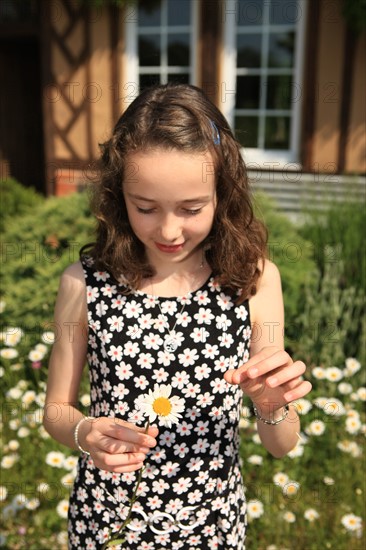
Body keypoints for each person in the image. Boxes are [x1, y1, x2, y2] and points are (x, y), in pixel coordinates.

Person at [43, 83, 312, 550]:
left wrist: (272, 406)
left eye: (191, 209)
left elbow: (282, 444)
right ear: (117, 196)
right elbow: (56, 411)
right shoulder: (83, 283)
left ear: (222, 193)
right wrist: (85, 432)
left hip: (212, 528)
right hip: (107, 523)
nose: (168, 230)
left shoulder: (254, 281)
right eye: (145, 208)